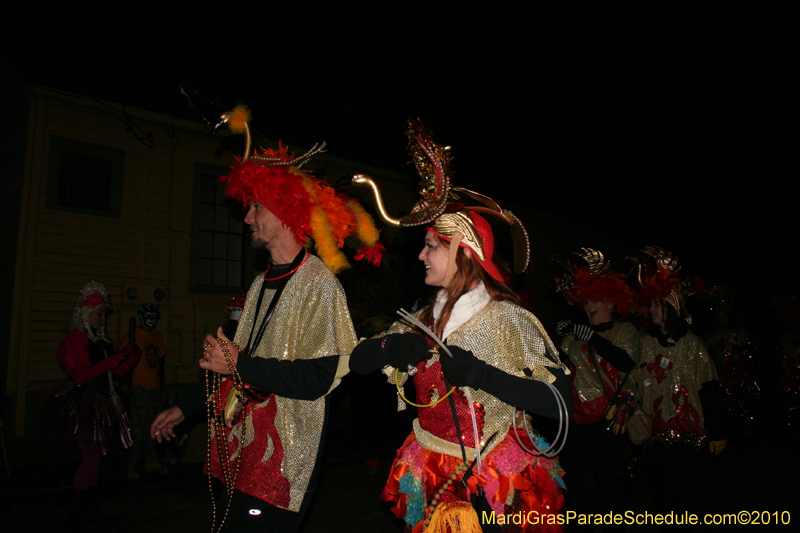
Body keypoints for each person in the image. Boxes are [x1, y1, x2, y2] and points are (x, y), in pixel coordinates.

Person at [150, 105, 383, 533]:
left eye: (255, 207)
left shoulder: (319, 284)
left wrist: (238, 361)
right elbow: (242, 365)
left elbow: (317, 379)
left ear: (283, 213)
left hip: (286, 461)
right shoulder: (259, 284)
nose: (246, 217)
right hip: (244, 450)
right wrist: (186, 408)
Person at [346, 120, 572, 533]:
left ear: (461, 252)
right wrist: (387, 351)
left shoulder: (508, 318)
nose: (421, 256)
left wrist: (479, 374)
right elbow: (356, 361)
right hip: (431, 471)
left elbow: (560, 403)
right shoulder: (422, 319)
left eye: (430, 246)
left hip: (495, 481)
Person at [630, 246, 727, 523]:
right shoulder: (645, 343)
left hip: (685, 438)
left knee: (681, 500)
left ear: (670, 306)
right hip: (654, 436)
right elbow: (635, 382)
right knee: (660, 500)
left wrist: (718, 432)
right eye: (650, 304)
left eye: (656, 304)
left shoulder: (692, 345)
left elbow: (710, 388)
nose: (650, 309)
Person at [554, 248, 640, 531]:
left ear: (612, 304)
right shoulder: (575, 336)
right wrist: (557, 336)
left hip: (609, 419)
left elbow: (627, 361)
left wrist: (593, 338)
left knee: (610, 483)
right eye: (586, 301)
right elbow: (556, 368)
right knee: (574, 481)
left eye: (595, 300)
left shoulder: (626, 331)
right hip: (577, 420)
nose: (589, 305)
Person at [54, 279, 140, 531]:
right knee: (91, 457)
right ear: (87, 314)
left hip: (106, 402)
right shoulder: (76, 339)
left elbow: (117, 372)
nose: (103, 319)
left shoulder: (104, 342)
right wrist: (116, 358)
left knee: (96, 456)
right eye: (100, 314)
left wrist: (131, 357)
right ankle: (75, 513)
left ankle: (90, 510)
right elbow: (81, 375)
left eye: (103, 314)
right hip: (87, 403)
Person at [120, 303, 166, 480]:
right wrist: (123, 384)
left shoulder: (157, 337)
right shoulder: (131, 337)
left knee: (153, 427)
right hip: (138, 388)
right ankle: (131, 464)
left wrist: (161, 384)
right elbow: (122, 362)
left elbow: (160, 362)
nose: (151, 320)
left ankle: (151, 460)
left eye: (154, 316)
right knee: (136, 428)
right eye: (148, 316)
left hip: (154, 388)